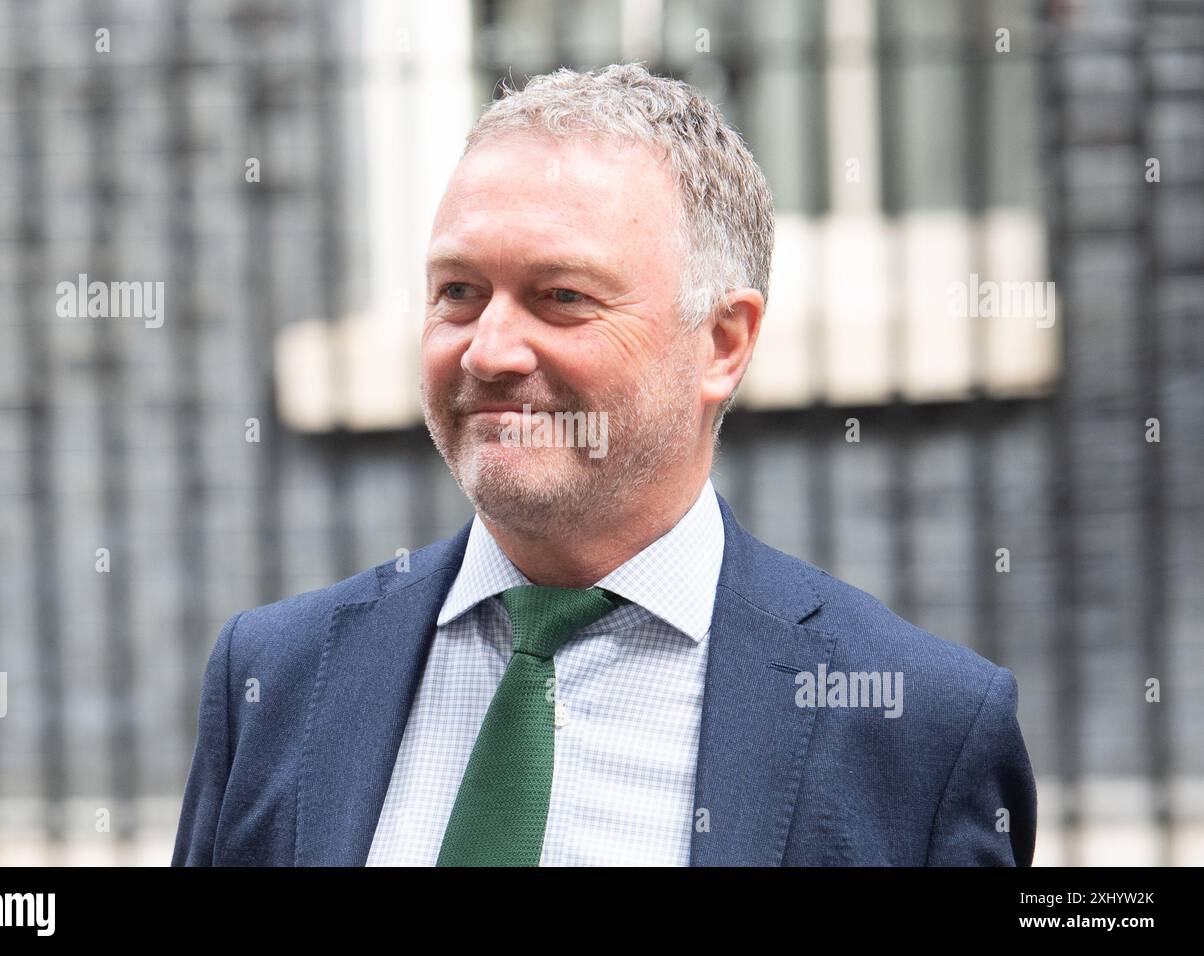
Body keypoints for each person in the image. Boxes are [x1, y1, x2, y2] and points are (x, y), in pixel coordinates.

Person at [172, 63, 1036, 867]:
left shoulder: (920, 727)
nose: (491, 351)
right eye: (458, 292)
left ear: (722, 344)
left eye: (563, 297)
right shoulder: (274, 678)